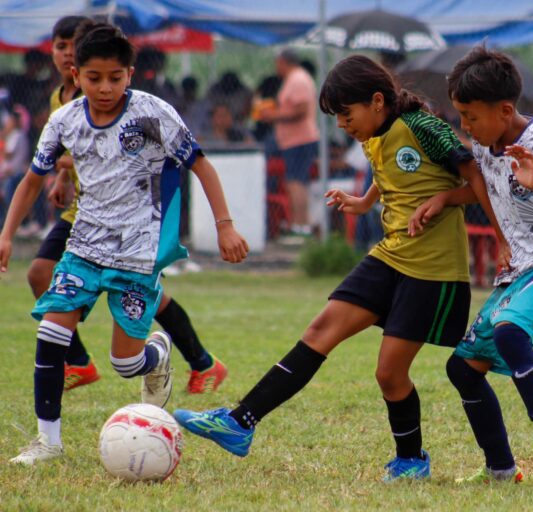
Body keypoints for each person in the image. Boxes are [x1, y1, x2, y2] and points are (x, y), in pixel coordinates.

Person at [173, 54, 503, 482]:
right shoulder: (374, 133)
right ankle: (240, 422)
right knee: (318, 332)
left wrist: (500, 240)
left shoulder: (424, 127)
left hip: (432, 269)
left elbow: (476, 179)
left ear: (378, 101)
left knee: (389, 373)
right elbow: (391, 174)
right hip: (390, 254)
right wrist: (364, 202)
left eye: (347, 115)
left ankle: (411, 460)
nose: (343, 125)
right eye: (337, 118)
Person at [2, 21, 249, 465]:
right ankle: (48, 442)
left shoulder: (153, 114)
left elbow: (202, 166)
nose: (104, 87)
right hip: (83, 247)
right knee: (51, 331)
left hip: (137, 253)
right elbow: (31, 180)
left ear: (130, 74)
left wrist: (226, 226)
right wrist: (5, 234)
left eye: (115, 78)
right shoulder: (63, 119)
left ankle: (157, 352)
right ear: (76, 75)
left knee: (124, 364)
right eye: (94, 78)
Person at [412, 46, 533, 491]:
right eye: (460, 115)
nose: (464, 126)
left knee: (511, 332)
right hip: (521, 267)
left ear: (506, 109)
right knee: (462, 368)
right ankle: (499, 468)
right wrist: (443, 198)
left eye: (470, 116)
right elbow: (487, 188)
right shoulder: (483, 138)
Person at [27, 16, 230, 396]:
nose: (67, 49)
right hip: (85, 220)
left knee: (147, 307)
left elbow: (190, 162)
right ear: (70, 65)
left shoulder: (146, 111)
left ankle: (196, 360)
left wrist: (225, 224)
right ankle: (79, 364)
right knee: (41, 275)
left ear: (127, 73)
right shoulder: (62, 106)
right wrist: (61, 176)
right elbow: (70, 152)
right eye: (60, 44)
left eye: (74, 42)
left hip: (135, 231)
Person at [260, 49, 319, 238]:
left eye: (277, 63)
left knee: (296, 182)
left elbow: (301, 110)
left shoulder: (298, 79)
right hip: (292, 140)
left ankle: (300, 226)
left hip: (299, 140)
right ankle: (298, 224)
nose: (276, 68)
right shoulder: (295, 79)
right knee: (294, 181)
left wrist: (274, 115)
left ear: (285, 62)